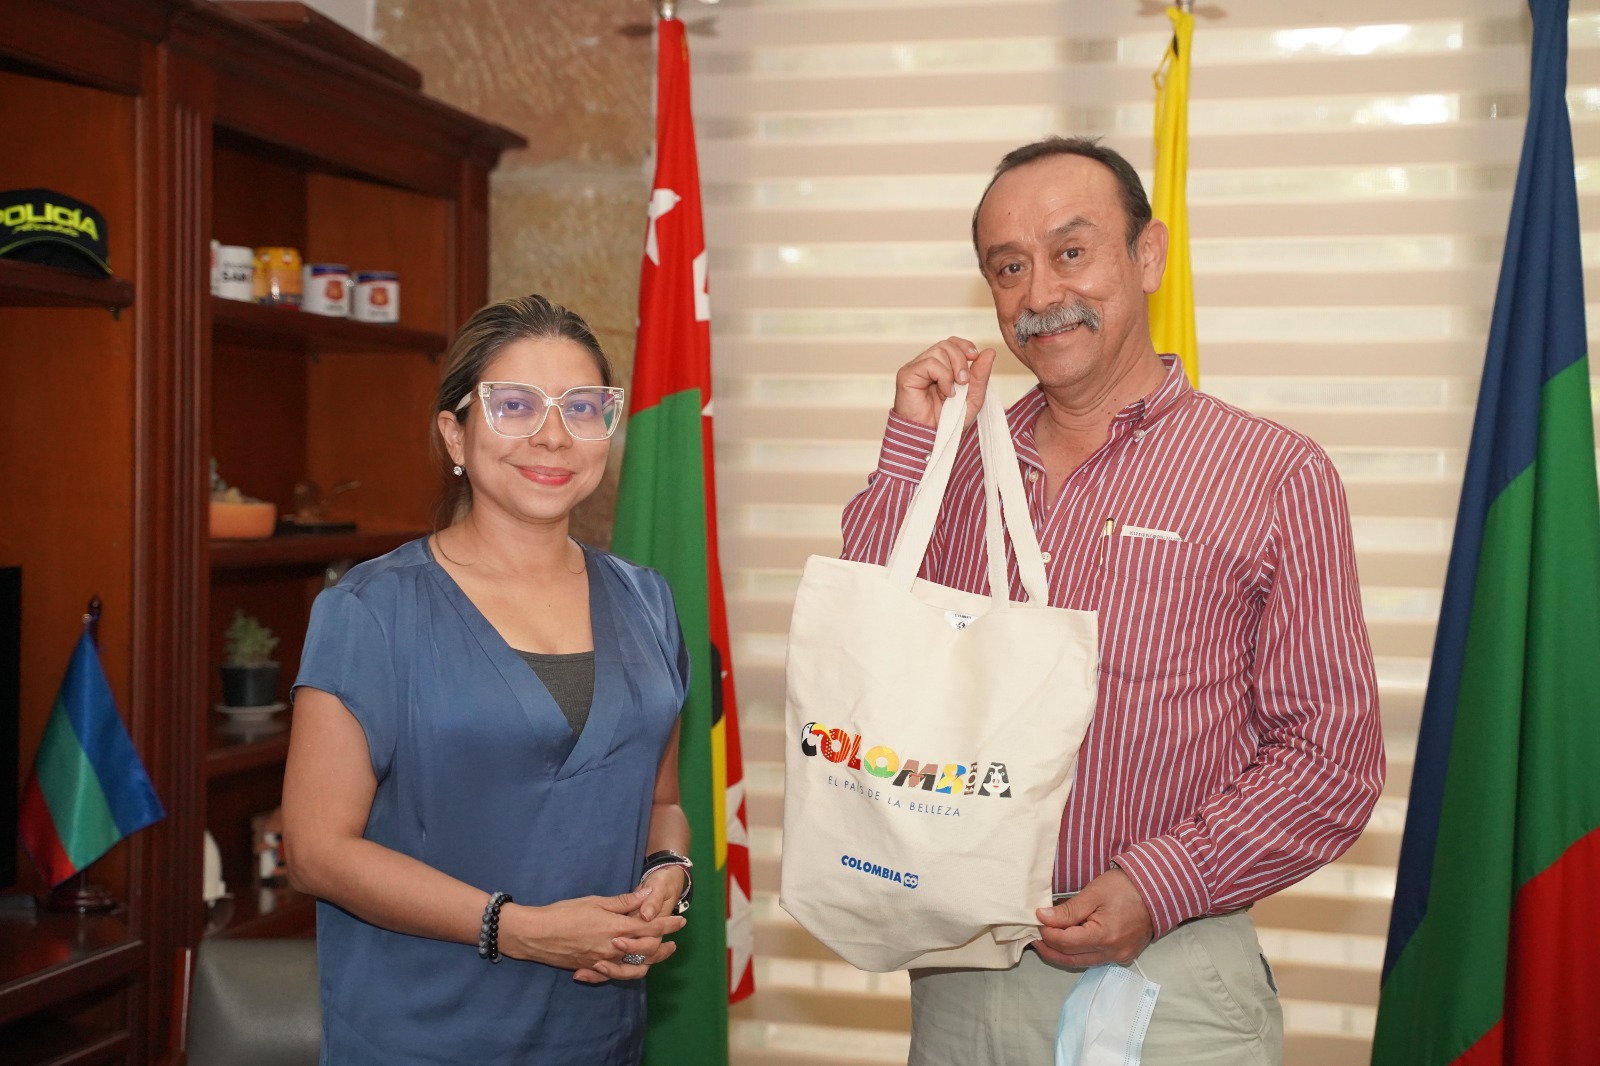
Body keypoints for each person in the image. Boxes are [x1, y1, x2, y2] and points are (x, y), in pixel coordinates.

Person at [840, 136, 1385, 1064]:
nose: (1041, 293)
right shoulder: (956, 466)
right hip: (959, 974)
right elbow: (862, 658)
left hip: (1170, 980)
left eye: (1071, 251)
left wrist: (1159, 884)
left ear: (1149, 255)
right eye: (1010, 268)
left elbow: (1331, 760)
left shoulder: (1273, 473)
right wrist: (912, 449)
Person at [282, 294, 694, 1065]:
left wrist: (667, 870)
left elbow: (661, 802)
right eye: (515, 405)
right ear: (455, 434)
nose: (553, 434)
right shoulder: (369, 610)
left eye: (582, 407)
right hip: (423, 1035)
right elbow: (315, 850)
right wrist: (520, 929)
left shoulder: (649, 602)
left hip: (596, 1033)